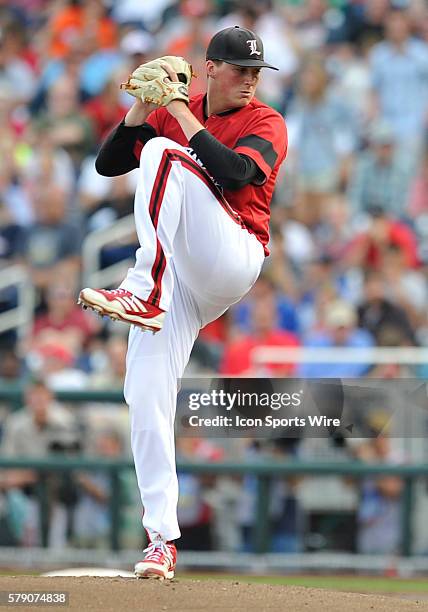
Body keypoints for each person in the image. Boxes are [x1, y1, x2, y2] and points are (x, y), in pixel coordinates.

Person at [78, 26, 287, 579]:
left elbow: (238, 172)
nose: (249, 80)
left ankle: (143, 288)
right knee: (143, 395)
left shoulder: (265, 120)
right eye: (240, 69)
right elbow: (108, 165)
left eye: (256, 72)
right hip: (181, 284)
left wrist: (176, 113)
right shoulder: (179, 107)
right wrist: (141, 111)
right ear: (211, 67)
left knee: (166, 154)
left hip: (232, 255)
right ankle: (161, 542)